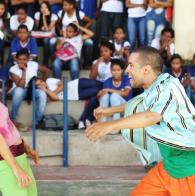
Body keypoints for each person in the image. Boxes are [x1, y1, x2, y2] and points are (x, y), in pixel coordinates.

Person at [86, 47, 195, 196]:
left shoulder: (168, 87)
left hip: (188, 169)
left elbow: (151, 116)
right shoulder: (154, 88)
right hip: (169, 167)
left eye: (131, 65)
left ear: (146, 69)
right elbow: (138, 105)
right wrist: (109, 110)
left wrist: (110, 125)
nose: (126, 71)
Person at [0, 101, 39, 195]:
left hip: (17, 158)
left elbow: (7, 125)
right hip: (7, 163)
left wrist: (26, 148)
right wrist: (15, 168)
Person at [9, 49, 49, 129]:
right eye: (19, 59)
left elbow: (47, 71)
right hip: (19, 90)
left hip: (32, 89)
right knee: (19, 91)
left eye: (24, 59)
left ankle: (36, 122)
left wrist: (41, 81)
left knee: (42, 94)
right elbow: (21, 85)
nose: (22, 61)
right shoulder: (12, 69)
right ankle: (12, 119)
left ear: (28, 59)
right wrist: (24, 71)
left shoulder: (33, 64)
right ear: (16, 59)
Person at [26, 77, 102, 102]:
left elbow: (64, 84)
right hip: (77, 95)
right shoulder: (45, 96)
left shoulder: (49, 80)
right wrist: (46, 90)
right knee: (96, 90)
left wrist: (52, 92)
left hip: (76, 83)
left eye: (41, 81)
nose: (42, 84)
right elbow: (56, 98)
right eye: (39, 85)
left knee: (98, 84)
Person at [33, 1, 58, 65]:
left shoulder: (54, 16)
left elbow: (48, 30)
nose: (43, 9)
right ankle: (35, 61)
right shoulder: (37, 14)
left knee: (46, 40)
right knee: (33, 40)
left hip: (50, 35)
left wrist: (44, 17)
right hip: (40, 35)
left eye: (46, 7)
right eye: (42, 7)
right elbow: (36, 27)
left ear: (49, 8)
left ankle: (45, 62)